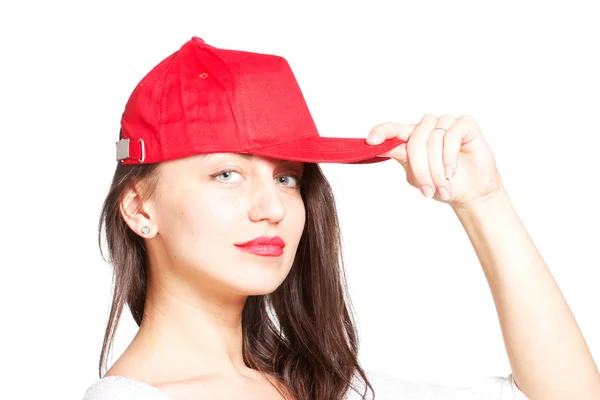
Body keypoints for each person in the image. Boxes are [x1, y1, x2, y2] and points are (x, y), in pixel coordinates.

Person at [82, 37, 599, 399]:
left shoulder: (327, 386)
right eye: (227, 175)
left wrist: (483, 201)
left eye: (287, 178)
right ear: (139, 208)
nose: (273, 209)